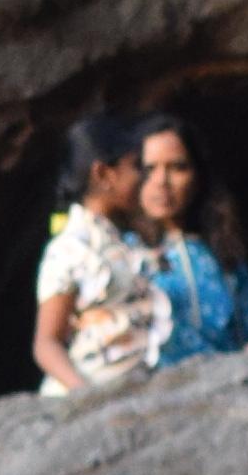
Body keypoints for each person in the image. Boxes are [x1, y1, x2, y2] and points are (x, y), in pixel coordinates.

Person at [27, 108, 170, 400]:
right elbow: (46, 343)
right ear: (104, 173)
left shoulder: (125, 241)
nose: (144, 177)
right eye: (136, 167)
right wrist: (86, 396)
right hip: (88, 399)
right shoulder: (69, 249)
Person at [132, 113, 248, 368]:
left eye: (178, 167)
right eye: (149, 169)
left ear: (199, 176)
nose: (162, 182)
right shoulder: (119, 251)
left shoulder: (223, 253)